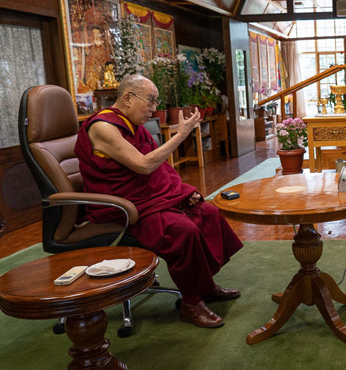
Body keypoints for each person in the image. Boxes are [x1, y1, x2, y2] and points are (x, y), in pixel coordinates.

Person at [74, 74, 244, 329]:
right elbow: (144, 166)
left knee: (207, 213)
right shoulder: (103, 127)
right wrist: (181, 135)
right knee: (181, 230)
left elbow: (160, 169)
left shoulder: (133, 125)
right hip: (121, 207)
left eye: (156, 102)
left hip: (146, 199)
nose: (154, 109)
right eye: (150, 101)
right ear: (128, 98)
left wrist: (183, 191)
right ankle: (191, 302)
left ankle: (205, 286)